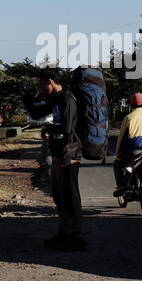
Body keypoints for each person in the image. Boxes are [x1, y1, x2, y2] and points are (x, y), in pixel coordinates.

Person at [36, 71, 84, 251]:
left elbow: (68, 128)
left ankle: (77, 236)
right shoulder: (56, 99)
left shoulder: (67, 99)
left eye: (42, 85)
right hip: (58, 152)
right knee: (59, 195)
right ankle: (64, 233)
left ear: (51, 82)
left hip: (70, 152)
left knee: (71, 193)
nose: (41, 89)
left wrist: (49, 127)